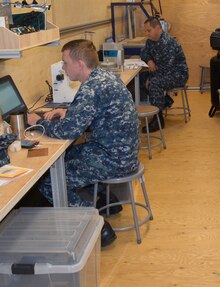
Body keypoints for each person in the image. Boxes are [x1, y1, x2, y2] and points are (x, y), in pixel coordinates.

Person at [27, 39, 140, 247]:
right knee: (67, 157)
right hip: (123, 152)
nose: (63, 67)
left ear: (79, 64)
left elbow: (69, 130)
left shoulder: (90, 89)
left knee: (50, 180)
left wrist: (38, 122)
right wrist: (69, 112)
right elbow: (93, 113)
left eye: (65, 62)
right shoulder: (103, 76)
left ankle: (98, 226)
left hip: (113, 159)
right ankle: (108, 201)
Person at [140, 16, 189, 132]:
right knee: (141, 78)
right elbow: (143, 52)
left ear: (158, 28)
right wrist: (149, 60)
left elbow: (166, 69)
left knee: (154, 82)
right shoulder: (151, 41)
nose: (147, 34)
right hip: (164, 72)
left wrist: (151, 78)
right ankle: (165, 101)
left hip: (178, 75)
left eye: (149, 31)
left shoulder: (168, 43)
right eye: (146, 31)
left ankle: (158, 120)